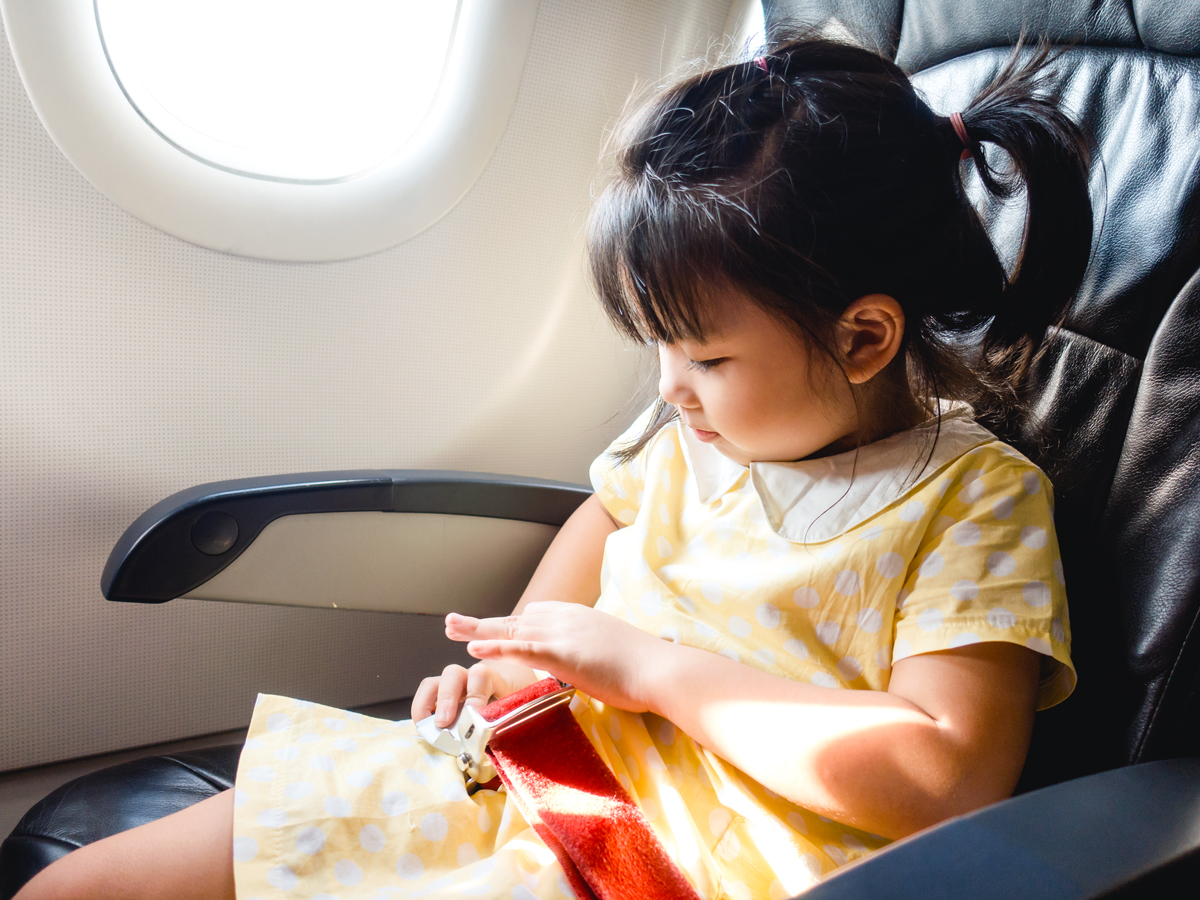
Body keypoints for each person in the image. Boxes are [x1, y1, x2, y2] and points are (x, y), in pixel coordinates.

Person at [17, 32, 1089, 900]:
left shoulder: (973, 501)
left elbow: (947, 772)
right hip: (531, 763)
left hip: (663, 857)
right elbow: (608, 521)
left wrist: (646, 670)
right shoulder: (700, 437)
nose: (671, 387)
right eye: (661, 348)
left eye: (707, 356)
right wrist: (524, 664)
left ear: (862, 340)